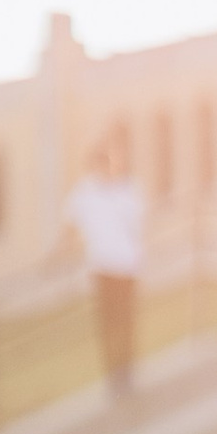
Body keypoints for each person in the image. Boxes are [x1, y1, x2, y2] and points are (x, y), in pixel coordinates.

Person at [64, 128, 145, 397]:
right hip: (102, 268)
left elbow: (138, 225)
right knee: (108, 325)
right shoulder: (84, 193)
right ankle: (114, 378)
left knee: (127, 324)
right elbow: (71, 226)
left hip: (128, 267)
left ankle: (127, 375)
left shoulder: (128, 189)